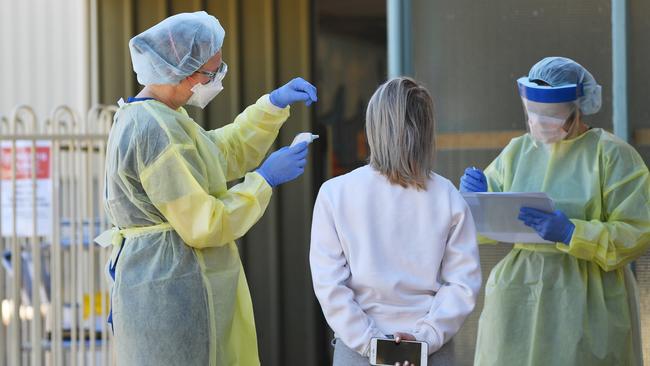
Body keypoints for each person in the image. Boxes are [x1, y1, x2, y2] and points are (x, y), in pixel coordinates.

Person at [97, 12, 317, 366]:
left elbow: (215, 155)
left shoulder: (161, 117)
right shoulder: (153, 130)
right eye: (210, 73)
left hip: (169, 283)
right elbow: (205, 222)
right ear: (179, 72)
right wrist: (264, 180)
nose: (217, 79)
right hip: (172, 294)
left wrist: (271, 107)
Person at [461, 57, 650, 366]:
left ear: (578, 108)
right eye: (533, 113)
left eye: (550, 114)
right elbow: (477, 228)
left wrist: (575, 233)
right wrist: (474, 199)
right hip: (519, 293)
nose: (539, 122)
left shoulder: (612, 155)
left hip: (588, 298)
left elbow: (639, 229)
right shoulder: (516, 151)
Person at [310, 77, 482, 366]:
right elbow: (462, 285)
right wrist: (424, 338)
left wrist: (371, 341)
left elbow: (330, 286)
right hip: (430, 353)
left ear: (373, 127)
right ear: (427, 130)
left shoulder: (335, 193)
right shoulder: (447, 195)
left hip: (358, 353)